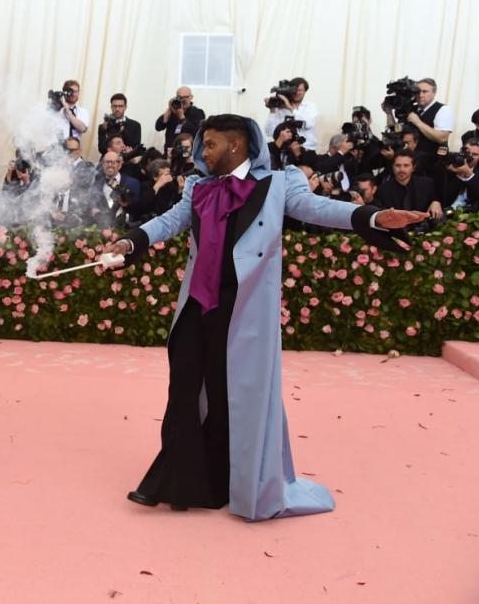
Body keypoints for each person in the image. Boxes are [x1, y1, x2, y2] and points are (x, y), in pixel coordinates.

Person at [105, 114, 425, 520]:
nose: (203, 152)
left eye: (211, 145)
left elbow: (316, 208)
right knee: (183, 390)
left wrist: (370, 217)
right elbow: (170, 221)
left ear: (237, 146)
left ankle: (218, 483)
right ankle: (173, 481)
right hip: (196, 306)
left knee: (228, 398)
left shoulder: (278, 184)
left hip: (242, 312)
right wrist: (132, 242)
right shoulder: (198, 188)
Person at [263, 77, 318, 151]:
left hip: (307, 150)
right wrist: (272, 110)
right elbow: (270, 132)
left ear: (305, 91)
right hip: (286, 151)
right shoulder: (281, 108)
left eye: (300, 90)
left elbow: (309, 124)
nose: (296, 93)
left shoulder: (310, 106)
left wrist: (290, 108)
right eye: (294, 90)